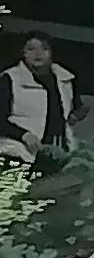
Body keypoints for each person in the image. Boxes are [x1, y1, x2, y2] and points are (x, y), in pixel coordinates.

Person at [3, 34, 80, 177]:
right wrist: (23, 135)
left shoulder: (65, 79)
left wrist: (76, 115)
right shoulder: (10, 78)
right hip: (18, 153)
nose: (38, 54)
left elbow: (72, 108)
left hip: (58, 155)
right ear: (23, 53)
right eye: (31, 49)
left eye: (44, 49)